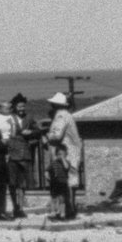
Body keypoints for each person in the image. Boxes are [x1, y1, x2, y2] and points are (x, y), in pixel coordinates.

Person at [45, 91, 83, 221]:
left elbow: (57, 135)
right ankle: (70, 210)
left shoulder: (61, 116)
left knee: (63, 183)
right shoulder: (68, 115)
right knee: (70, 183)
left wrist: (47, 136)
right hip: (72, 152)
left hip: (65, 154)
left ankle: (66, 211)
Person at [2, 93, 33, 203]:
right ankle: (15, 204)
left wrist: (31, 132)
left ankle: (20, 205)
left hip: (24, 153)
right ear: (14, 107)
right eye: (19, 106)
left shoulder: (29, 117)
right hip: (12, 153)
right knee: (12, 181)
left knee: (22, 181)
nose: (21, 109)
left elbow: (37, 130)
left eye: (23, 106)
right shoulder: (9, 118)